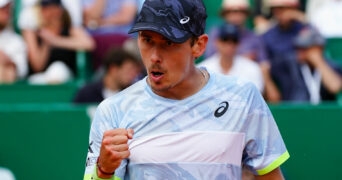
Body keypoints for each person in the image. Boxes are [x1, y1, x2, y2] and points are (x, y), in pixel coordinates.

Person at [84, 0, 290, 179]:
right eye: (147, 40)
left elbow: (270, 176)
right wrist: (104, 171)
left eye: (169, 42)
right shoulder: (112, 110)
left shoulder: (243, 97)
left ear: (198, 46)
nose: (154, 56)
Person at [206, 0, 281, 103]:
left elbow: (263, 64)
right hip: (218, 87)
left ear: (246, 14)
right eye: (231, 12)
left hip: (247, 83)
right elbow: (214, 62)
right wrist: (242, 58)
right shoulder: (215, 34)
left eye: (240, 12)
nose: (236, 16)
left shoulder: (254, 38)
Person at [18, 0, 95, 84]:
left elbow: (89, 44)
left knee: (58, 69)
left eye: (51, 8)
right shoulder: (35, 31)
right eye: (44, 8)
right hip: (40, 80)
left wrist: (55, 40)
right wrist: (46, 43)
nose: (47, 12)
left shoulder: (70, 28)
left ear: (60, 10)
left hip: (65, 79)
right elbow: (37, 66)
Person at [272, 26, 342, 104]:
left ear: (319, 48)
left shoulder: (330, 65)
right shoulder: (288, 64)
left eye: (305, 47)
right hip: (295, 113)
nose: (299, 51)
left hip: (323, 114)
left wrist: (318, 62)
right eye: (297, 47)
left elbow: (335, 87)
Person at [199, 22, 264, 92]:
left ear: (239, 43)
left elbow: (253, 96)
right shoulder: (203, 69)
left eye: (234, 41)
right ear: (216, 42)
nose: (229, 45)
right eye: (225, 40)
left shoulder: (252, 68)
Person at [73, 47, 143, 104]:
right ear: (113, 69)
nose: (133, 75)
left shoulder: (133, 96)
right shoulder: (87, 93)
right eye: (129, 70)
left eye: (135, 71)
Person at [0, 0, 27, 83]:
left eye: (8, 8)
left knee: (7, 70)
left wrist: (7, 61)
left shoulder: (16, 40)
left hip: (8, 88)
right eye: (3, 9)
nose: (7, 12)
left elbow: (22, 71)